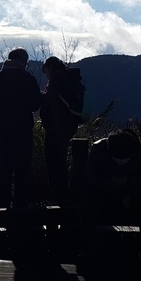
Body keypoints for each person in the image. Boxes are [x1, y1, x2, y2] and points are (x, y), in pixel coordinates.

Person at [84, 129, 141, 262]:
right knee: (88, 199)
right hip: (106, 195)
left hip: (133, 198)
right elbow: (90, 177)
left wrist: (128, 183)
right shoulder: (98, 149)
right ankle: (87, 247)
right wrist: (116, 191)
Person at [0, 47, 41, 209]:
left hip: (3, 126)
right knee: (22, 166)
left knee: (3, 162)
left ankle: (2, 201)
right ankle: (20, 202)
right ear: (23, 61)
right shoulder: (27, 78)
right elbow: (35, 105)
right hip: (23, 127)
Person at [39, 56, 80, 205]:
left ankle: (58, 196)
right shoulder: (68, 76)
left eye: (46, 72)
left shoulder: (57, 79)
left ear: (50, 67)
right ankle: (62, 195)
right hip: (69, 125)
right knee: (60, 160)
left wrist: (40, 98)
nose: (46, 75)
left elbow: (50, 101)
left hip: (56, 127)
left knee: (54, 161)